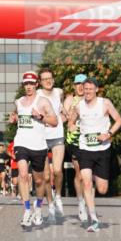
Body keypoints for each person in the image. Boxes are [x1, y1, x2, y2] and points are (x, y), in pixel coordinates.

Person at [69, 77, 121, 233]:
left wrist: (109, 133)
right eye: (85, 89)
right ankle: (93, 219)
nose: (87, 92)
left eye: (90, 89)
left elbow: (119, 120)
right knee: (86, 182)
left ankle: (93, 176)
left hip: (102, 150)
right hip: (85, 149)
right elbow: (71, 122)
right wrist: (72, 126)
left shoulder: (105, 103)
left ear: (96, 90)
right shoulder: (79, 106)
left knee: (102, 188)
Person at [9, 71, 57, 227]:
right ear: (23, 85)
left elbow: (55, 121)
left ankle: (38, 209)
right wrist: (13, 119)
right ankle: (27, 210)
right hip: (21, 143)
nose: (28, 87)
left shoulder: (43, 101)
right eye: (26, 84)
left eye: (31, 84)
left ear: (36, 84)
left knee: (38, 180)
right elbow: (16, 116)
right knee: (23, 175)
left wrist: (41, 117)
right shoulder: (18, 101)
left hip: (38, 145)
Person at [37, 68, 66, 219]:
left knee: (57, 170)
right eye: (44, 79)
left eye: (50, 78)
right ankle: (50, 206)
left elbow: (61, 108)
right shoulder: (37, 95)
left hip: (57, 135)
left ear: (53, 80)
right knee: (46, 176)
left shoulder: (59, 92)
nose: (48, 81)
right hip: (41, 137)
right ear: (40, 82)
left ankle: (59, 196)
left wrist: (65, 115)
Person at [62, 74, 87, 219]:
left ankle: (87, 200)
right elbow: (63, 118)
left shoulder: (91, 100)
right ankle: (81, 202)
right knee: (80, 173)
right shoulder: (71, 99)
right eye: (77, 84)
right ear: (74, 86)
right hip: (75, 141)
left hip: (89, 141)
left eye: (83, 83)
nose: (80, 86)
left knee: (88, 175)